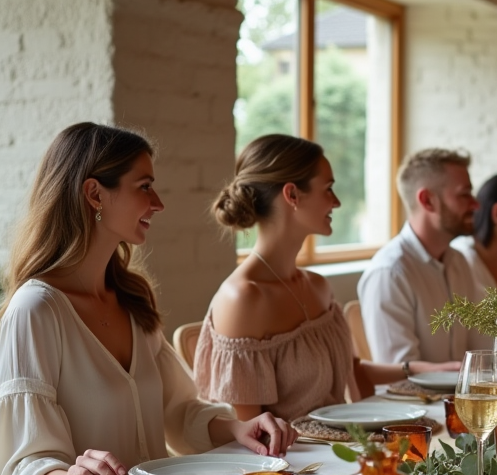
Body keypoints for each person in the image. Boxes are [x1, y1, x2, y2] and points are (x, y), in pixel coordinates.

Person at [0, 123, 295, 475]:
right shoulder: (37, 309)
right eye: (144, 186)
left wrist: (238, 428)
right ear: (95, 193)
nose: (158, 203)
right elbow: (22, 460)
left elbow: (179, 412)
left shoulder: (133, 300)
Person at [195, 135, 458, 421]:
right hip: (292, 464)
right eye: (328, 189)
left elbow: (352, 370)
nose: (337, 202)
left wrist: (419, 369)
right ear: (292, 195)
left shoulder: (317, 286)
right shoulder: (243, 299)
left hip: (339, 450)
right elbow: (249, 437)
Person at [357, 148, 492, 363]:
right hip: (414, 398)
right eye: (464, 194)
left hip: (459, 395)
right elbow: (401, 378)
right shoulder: (389, 273)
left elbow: (484, 345)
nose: (475, 205)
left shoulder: (458, 261)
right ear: (428, 200)